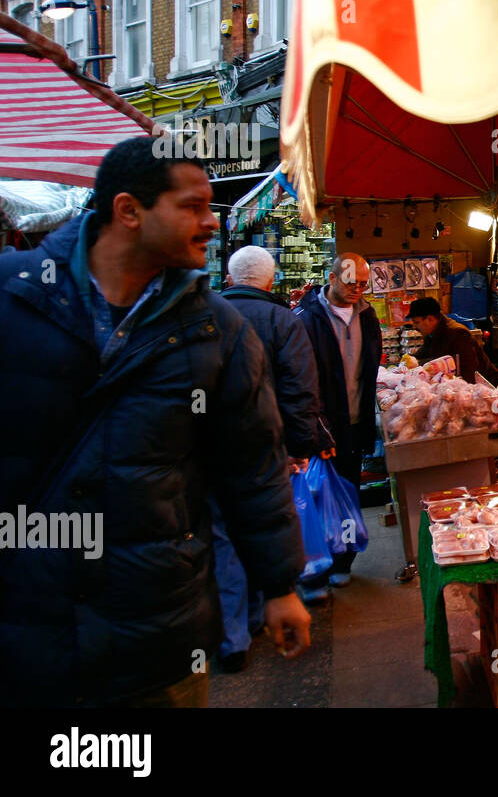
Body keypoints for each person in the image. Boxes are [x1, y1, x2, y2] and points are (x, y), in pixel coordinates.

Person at [0, 136, 311, 707]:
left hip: (157, 637)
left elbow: (251, 469)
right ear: (128, 211)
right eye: (191, 206)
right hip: (27, 635)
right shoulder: (12, 298)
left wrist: (279, 584)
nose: (211, 222)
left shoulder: (218, 332)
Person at [214, 245, 332, 661]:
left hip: (210, 451)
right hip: (267, 448)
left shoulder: (201, 316)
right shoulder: (283, 320)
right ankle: (268, 607)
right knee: (264, 524)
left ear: (229, 278)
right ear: (269, 280)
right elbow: (301, 389)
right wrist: (300, 446)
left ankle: (234, 636)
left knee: (223, 537)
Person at [294, 253, 382, 587]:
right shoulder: (306, 318)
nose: (357, 289)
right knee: (316, 495)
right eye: (350, 283)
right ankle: (316, 563)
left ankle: (344, 561)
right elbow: (300, 379)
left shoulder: (368, 315)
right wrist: (316, 429)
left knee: (347, 492)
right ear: (331, 279)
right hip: (321, 426)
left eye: (362, 284)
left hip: (355, 423)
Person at [408, 296, 498, 383]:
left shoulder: (457, 334)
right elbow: (420, 356)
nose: (414, 326)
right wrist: (407, 362)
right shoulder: (432, 334)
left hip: (484, 387)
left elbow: (469, 372)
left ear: (430, 319)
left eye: (416, 322)